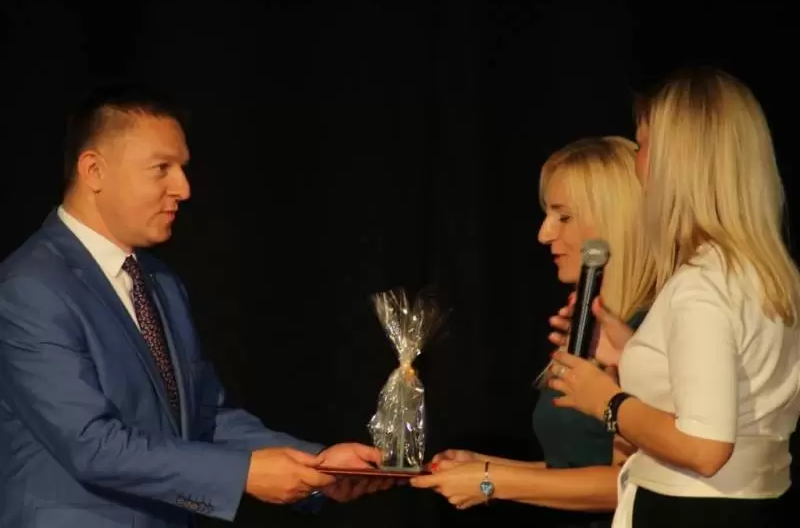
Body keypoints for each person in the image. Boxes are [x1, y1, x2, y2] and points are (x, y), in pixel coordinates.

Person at [0, 85, 387, 528]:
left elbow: (203, 418)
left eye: (183, 168)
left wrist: (318, 466)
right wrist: (243, 475)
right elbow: (91, 444)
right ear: (94, 171)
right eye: (161, 168)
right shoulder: (29, 288)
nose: (183, 188)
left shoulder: (160, 282)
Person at [548, 67, 800, 528]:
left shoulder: (703, 285)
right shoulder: (763, 273)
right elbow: (733, 395)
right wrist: (630, 349)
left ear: (677, 163)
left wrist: (606, 400)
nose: (637, 164)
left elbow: (705, 449)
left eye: (643, 147)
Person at [410, 136, 656, 527]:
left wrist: (492, 482)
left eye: (564, 217)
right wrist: (484, 466)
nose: (544, 234)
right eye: (547, 215)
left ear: (615, 221)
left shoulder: (647, 334)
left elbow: (629, 482)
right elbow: (578, 468)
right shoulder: (591, 332)